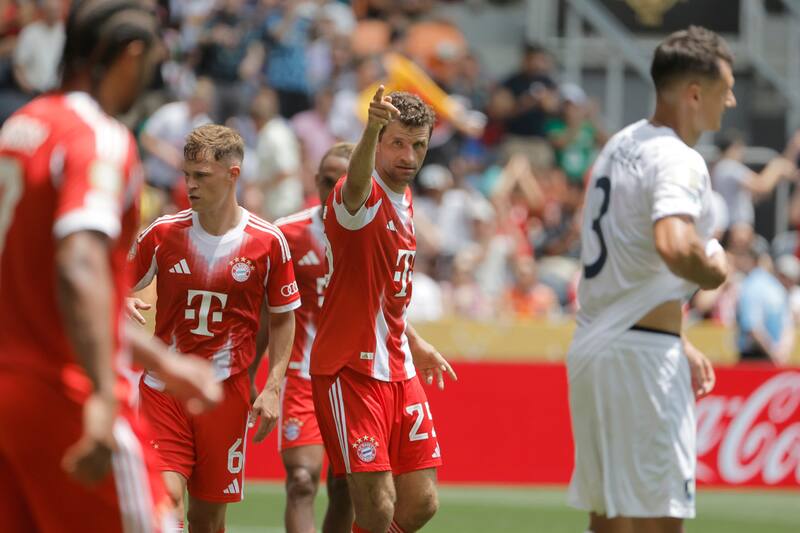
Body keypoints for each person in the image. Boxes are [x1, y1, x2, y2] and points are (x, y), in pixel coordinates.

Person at [0, 2, 220, 531]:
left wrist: (164, 363)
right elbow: (79, 266)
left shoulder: (21, 127)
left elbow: (62, 293)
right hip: (66, 390)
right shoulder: (99, 137)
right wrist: (101, 392)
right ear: (132, 54)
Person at [567, 26, 733, 533]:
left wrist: (677, 340)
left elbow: (623, 256)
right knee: (658, 523)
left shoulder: (621, 144)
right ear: (694, 94)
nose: (731, 99)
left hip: (599, 345)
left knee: (611, 519)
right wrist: (714, 268)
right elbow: (673, 243)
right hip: (638, 360)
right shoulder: (678, 158)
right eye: (725, 87)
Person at [127, 124, 300, 533]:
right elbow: (108, 280)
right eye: (187, 175)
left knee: (207, 520)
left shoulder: (268, 242)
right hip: (163, 391)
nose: (190, 185)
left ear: (232, 175)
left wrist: (274, 386)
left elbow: (283, 316)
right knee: (164, 502)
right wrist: (119, 299)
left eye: (201, 176)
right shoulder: (163, 234)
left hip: (226, 395)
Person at [310, 87, 457, 533]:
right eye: (397, 143)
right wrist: (370, 131)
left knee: (422, 503)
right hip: (350, 370)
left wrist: (415, 341)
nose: (408, 156)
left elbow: (383, 294)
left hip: (399, 366)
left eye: (418, 145)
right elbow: (355, 183)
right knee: (376, 508)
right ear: (378, 142)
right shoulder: (361, 195)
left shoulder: (406, 199)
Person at [271, 143, 356, 533]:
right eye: (325, 180)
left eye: (342, 181)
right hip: (303, 378)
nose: (332, 189)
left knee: (345, 488)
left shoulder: (374, 232)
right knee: (301, 482)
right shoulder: (286, 235)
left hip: (356, 380)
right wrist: (253, 381)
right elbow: (264, 318)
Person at [733, 245, 794, 365]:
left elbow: (752, 328)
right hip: (775, 356)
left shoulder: (751, 285)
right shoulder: (777, 286)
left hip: (754, 358)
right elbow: (787, 325)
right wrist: (781, 353)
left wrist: (772, 352)